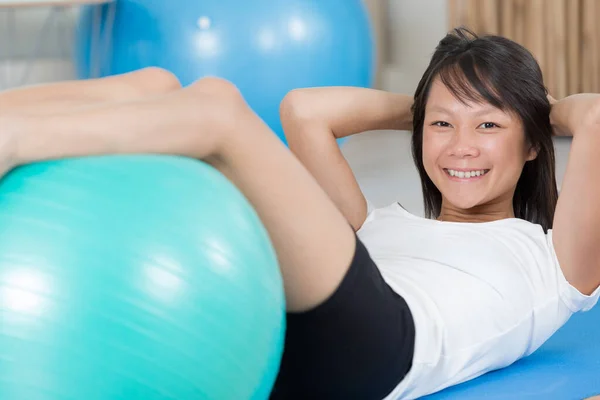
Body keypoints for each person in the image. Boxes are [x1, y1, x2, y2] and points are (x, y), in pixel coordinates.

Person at [0, 27, 598, 399]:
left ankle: (12, 139)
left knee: (218, 110)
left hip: (383, 347)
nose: (459, 147)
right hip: (290, 329)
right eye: (440, 126)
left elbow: (596, 118)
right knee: (156, 82)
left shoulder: (558, 262)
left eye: (489, 128)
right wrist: (439, 104)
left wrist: (528, 109)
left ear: (532, 142)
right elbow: (306, 110)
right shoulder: (372, 226)